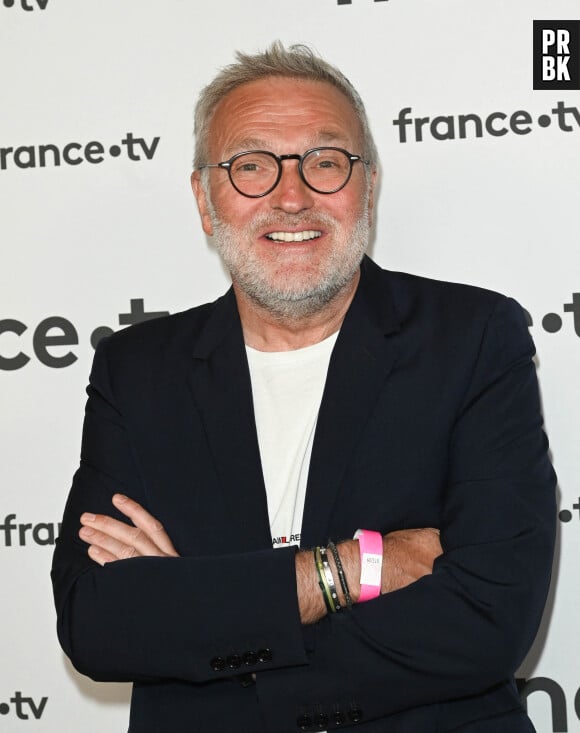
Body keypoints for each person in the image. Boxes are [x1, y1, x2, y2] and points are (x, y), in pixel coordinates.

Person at [51, 42, 556, 733]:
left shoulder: (471, 339)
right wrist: (349, 568)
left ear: (368, 188)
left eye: (325, 162)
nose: (291, 196)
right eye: (251, 165)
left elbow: (490, 616)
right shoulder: (137, 371)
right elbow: (99, 621)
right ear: (204, 199)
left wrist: (207, 620)